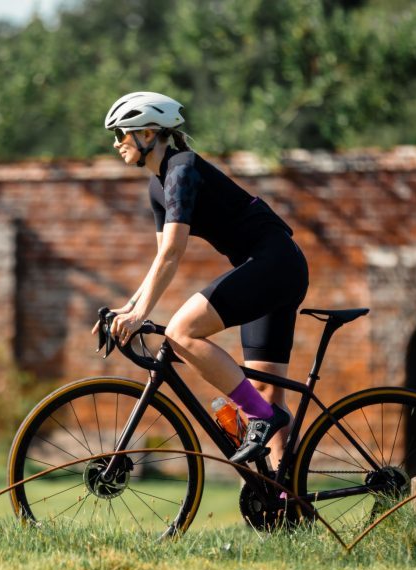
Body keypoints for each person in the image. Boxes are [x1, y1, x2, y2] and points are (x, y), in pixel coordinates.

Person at [94, 91, 309, 465]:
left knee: (182, 332)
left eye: (121, 133)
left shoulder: (182, 170)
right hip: (267, 268)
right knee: (266, 390)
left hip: (275, 264)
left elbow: (173, 253)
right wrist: (128, 308)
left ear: (148, 134)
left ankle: (260, 417)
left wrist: (140, 314)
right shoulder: (158, 185)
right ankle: (284, 493)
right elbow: (160, 258)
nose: (116, 143)